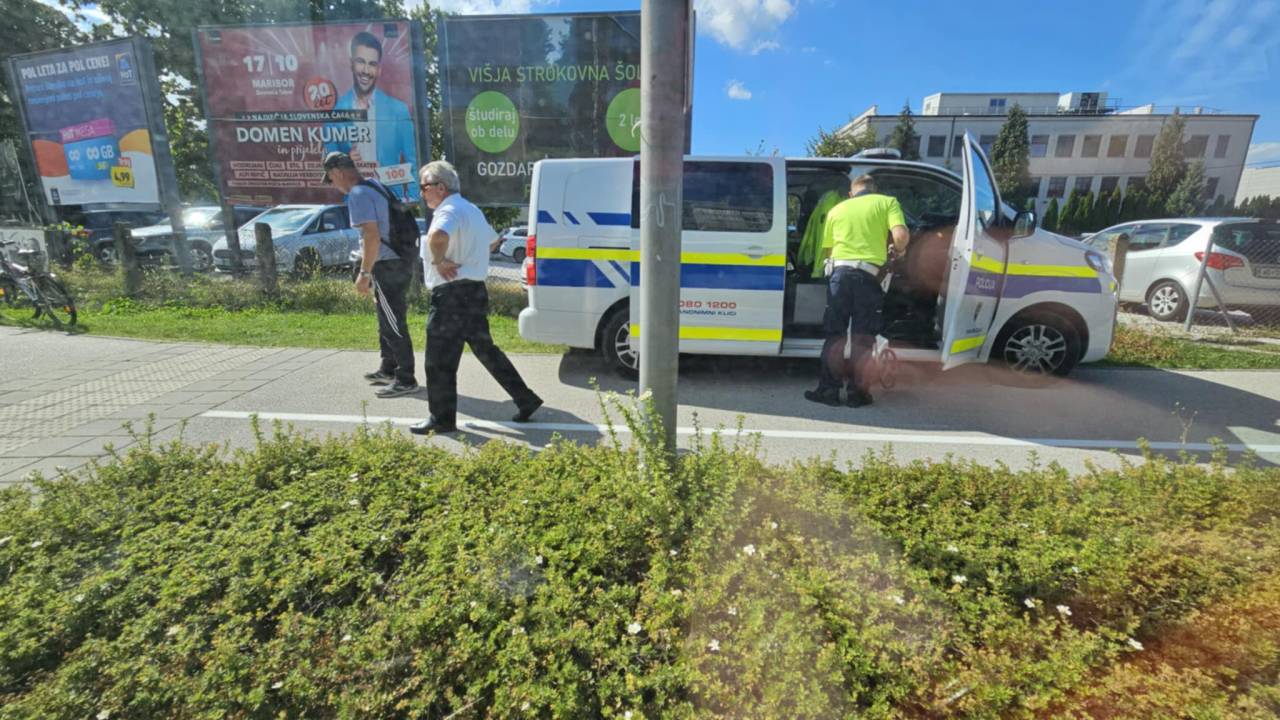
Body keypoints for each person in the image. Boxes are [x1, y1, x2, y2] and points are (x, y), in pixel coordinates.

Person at [410, 160, 542, 435]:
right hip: (474, 292)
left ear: (440, 187)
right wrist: (470, 256)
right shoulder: (471, 209)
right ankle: (525, 398)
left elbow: (438, 236)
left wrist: (439, 261)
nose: (422, 193)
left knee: (439, 360)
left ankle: (442, 419)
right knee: (486, 350)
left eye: (424, 187)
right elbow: (493, 241)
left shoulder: (448, 210)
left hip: (451, 296)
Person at [806, 173, 909, 408]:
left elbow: (828, 252)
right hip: (868, 277)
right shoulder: (887, 202)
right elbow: (901, 236)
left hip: (840, 275)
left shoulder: (837, 210)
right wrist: (899, 251)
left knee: (835, 335)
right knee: (863, 337)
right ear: (874, 190)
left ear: (851, 193)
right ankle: (857, 394)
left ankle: (828, 391)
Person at [323, 150, 418, 398]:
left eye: (330, 178)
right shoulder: (375, 185)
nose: (333, 184)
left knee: (393, 320)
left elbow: (371, 235)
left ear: (337, 172)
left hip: (387, 264)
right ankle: (388, 368)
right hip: (399, 259)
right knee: (385, 317)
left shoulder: (357, 194)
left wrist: (364, 273)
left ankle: (406, 378)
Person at [323, 32, 419, 201]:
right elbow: (332, 167)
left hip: (391, 201)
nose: (366, 71)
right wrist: (347, 161)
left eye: (372, 64)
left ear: (379, 69)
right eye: (361, 62)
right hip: (354, 202)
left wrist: (411, 198)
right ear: (351, 64)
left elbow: (413, 160)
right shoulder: (335, 114)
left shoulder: (398, 110)